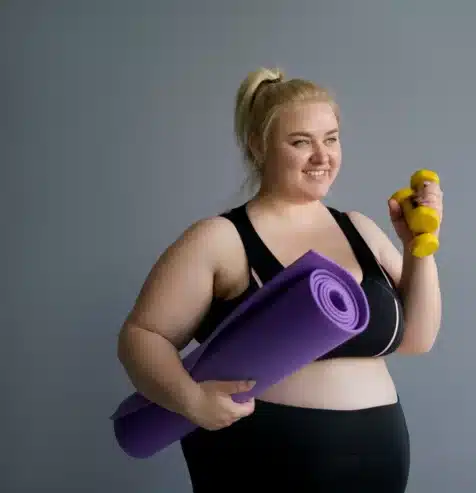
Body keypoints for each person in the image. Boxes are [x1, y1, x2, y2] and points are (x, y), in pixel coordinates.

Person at [115, 67, 443, 492]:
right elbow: (141, 337)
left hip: (379, 464)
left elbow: (417, 339)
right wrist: (191, 400)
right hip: (260, 462)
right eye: (301, 142)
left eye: (331, 139)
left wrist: (419, 248)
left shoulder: (360, 229)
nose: (322, 156)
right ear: (259, 145)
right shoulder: (220, 238)